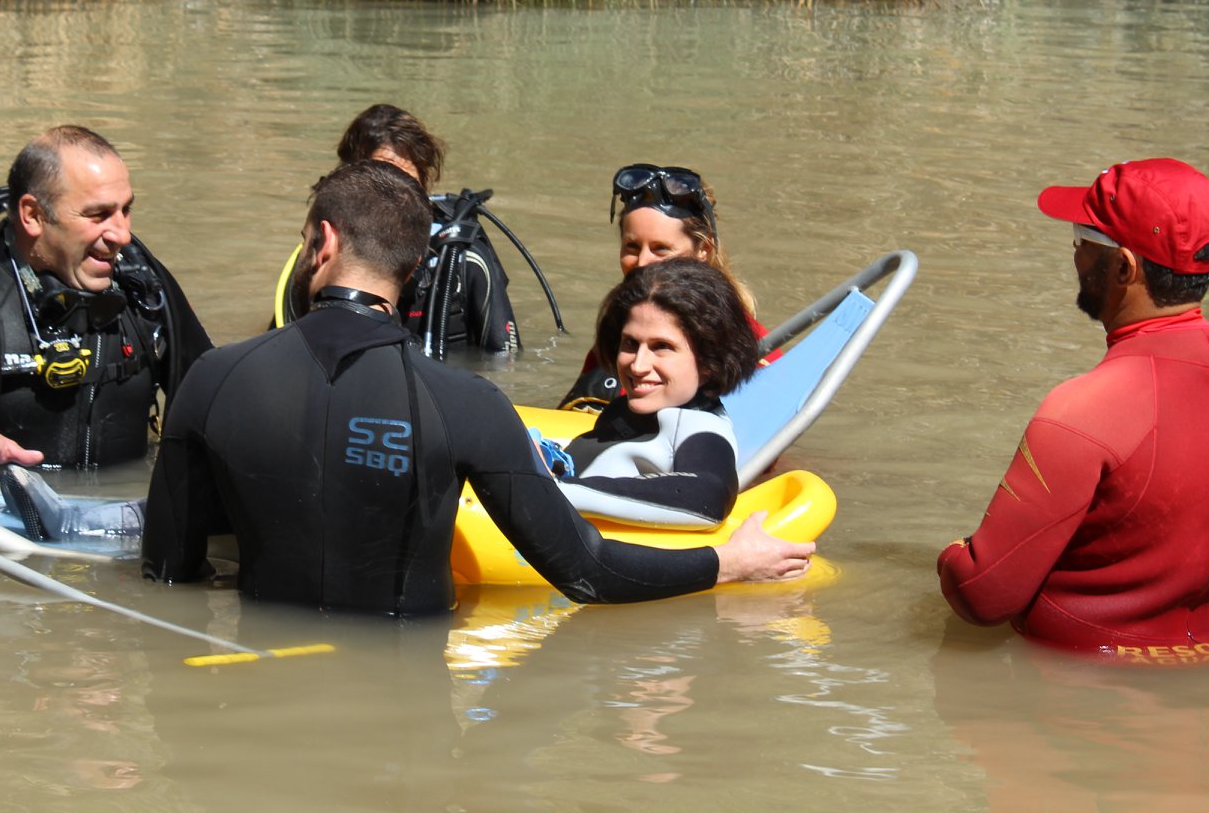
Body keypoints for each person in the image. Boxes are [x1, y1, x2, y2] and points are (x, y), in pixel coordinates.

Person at [143, 160, 813, 615]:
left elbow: (169, 572)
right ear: (419, 262)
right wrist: (726, 565)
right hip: (411, 731)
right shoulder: (467, 406)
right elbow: (588, 572)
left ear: (322, 242)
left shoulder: (212, 379)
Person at [937, 158, 1209, 657]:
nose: (1076, 255)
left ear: (1124, 267)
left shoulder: (1083, 409)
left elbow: (981, 594)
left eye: (1083, 239)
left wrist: (952, 553)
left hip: (1076, 684)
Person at [0, 125, 211, 495]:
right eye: (98, 215)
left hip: (126, 513)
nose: (122, 235)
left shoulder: (143, 287)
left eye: (125, 210)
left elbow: (216, 406)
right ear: (33, 215)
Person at [546, 260, 759, 528]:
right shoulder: (621, 411)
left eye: (662, 347)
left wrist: (546, 490)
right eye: (631, 343)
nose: (638, 365)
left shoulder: (699, 428)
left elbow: (709, 498)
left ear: (709, 361)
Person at [558, 163, 765, 412]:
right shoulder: (623, 329)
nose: (642, 262)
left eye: (661, 249)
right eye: (632, 247)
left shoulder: (750, 347)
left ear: (704, 250)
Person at [324, 103, 521, 354]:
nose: (396, 203)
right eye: (381, 186)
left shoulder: (465, 261)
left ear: (423, 186)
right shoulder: (323, 256)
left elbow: (506, 365)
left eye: (407, 186)